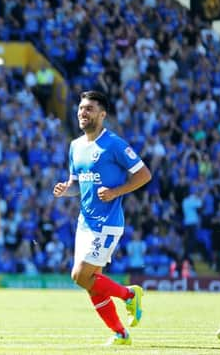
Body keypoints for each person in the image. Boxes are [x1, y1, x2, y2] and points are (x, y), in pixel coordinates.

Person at [53, 91, 152, 346]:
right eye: (81, 109)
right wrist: (66, 189)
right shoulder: (75, 146)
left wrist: (115, 192)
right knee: (90, 283)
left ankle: (129, 295)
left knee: (79, 276)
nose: (82, 113)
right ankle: (121, 333)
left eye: (89, 109)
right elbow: (76, 183)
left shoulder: (114, 144)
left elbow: (144, 175)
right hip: (84, 223)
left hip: (107, 223)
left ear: (102, 114)